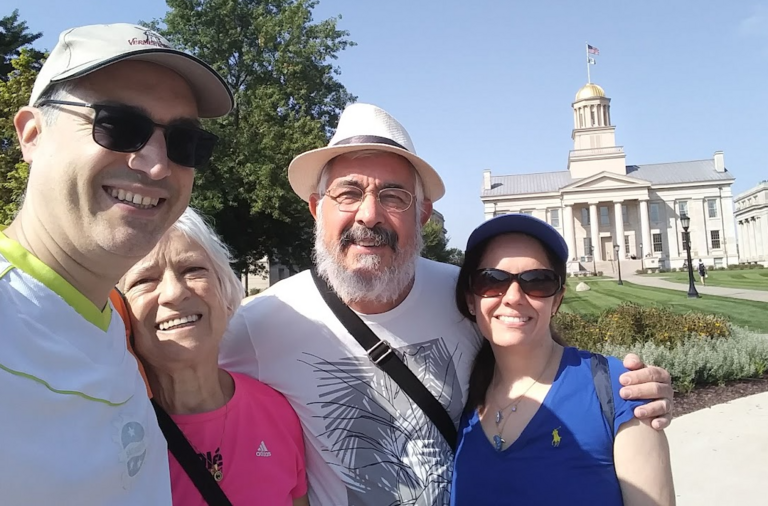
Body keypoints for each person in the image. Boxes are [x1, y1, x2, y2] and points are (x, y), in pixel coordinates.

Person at [219, 102, 675, 505]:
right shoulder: (261, 324)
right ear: (317, 207)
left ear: (422, 214)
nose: (369, 214)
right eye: (349, 193)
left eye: (393, 196)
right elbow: (183, 401)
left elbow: (537, 350)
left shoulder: (470, 294)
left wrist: (629, 393)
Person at [0, 23, 234, 505]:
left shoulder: (117, 328)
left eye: (184, 142)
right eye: (120, 126)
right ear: (31, 134)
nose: (156, 165)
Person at [450, 213, 675, 505]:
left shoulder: (619, 391)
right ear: (471, 299)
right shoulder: (461, 398)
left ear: (556, 300)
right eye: (492, 280)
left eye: (537, 281)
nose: (513, 296)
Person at [119, 208, 309, 506]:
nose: (174, 292)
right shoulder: (106, 433)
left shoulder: (278, 411)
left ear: (225, 292)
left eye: (192, 270)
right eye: (144, 280)